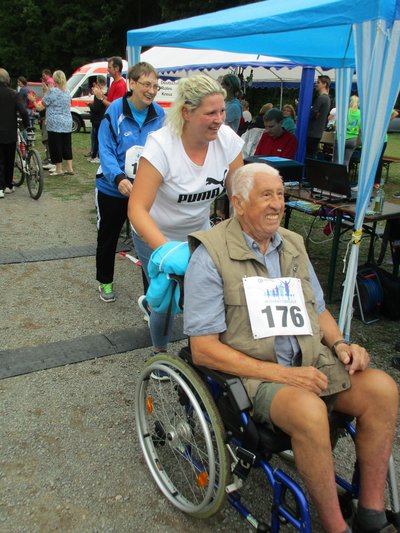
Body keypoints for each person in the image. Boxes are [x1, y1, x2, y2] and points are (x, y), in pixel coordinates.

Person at [184, 163, 399, 533]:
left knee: (383, 389)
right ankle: (335, 526)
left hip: (310, 360)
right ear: (238, 203)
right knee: (310, 411)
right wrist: (284, 375)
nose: (277, 204)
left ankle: (372, 514)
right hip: (257, 375)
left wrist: (341, 343)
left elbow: (318, 310)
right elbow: (203, 350)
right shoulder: (211, 256)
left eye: (281, 195)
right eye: (266, 195)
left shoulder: (293, 244)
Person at [128, 74, 243, 373]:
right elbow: (137, 208)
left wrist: (241, 234)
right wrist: (167, 251)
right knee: (166, 298)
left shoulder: (227, 141)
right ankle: (160, 355)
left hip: (197, 234)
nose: (220, 119)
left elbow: (239, 196)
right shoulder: (161, 146)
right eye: (211, 113)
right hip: (155, 231)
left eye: (222, 111)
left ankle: (203, 354)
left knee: (202, 296)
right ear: (186, 112)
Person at [95, 62, 165, 303]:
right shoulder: (115, 110)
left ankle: (152, 297)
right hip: (112, 188)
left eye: (155, 86)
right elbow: (105, 149)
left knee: (148, 241)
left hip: (145, 190)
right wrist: (118, 178)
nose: (151, 91)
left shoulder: (160, 114)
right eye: (146, 84)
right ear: (132, 83)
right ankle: (105, 281)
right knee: (108, 236)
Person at [31, 70, 73, 176]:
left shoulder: (52, 91)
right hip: (67, 122)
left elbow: (41, 106)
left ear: (54, 80)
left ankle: (59, 169)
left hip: (54, 123)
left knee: (56, 145)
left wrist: (33, 100)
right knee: (67, 145)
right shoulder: (67, 92)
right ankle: (69, 168)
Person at [0, 68, 29, 198]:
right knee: (9, 159)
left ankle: (0, 188)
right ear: (8, 80)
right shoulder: (13, 94)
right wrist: (26, 125)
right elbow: (23, 111)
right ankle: (8, 185)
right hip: (10, 132)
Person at [306, 75, 331, 158]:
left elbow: (312, 114)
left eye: (318, 82)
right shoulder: (327, 99)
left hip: (312, 132)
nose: (316, 84)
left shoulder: (322, 98)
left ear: (324, 84)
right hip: (317, 132)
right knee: (312, 155)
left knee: (309, 156)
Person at [334, 95, 361, 170]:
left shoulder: (344, 111)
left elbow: (336, 126)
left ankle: (334, 176)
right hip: (353, 139)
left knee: (336, 161)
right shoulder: (360, 113)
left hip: (341, 138)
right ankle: (344, 176)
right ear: (358, 103)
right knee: (346, 162)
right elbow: (360, 128)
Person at [88, 75, 107, 163]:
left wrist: (90, 105)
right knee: (96, 138)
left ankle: (97, 156)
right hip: (98, 118)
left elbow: (97, 107)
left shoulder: (100, 93)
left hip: (98, 118)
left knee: (98, 138)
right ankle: (94, 155)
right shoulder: (102, 92)